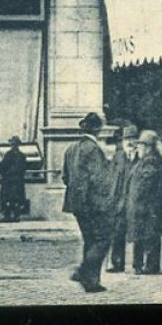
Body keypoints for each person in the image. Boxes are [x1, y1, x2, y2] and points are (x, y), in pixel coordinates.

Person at [61, 111, 112, 291]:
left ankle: (91, 283)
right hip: (93, 204)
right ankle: (84, 272)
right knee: (102, 240)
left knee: (89, 240)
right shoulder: (94, 149)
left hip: (76, 204)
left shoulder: (71, 149)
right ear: (98, 129)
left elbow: (65, 178)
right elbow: (99, 179)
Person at [126, 130, 162, 275]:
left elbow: (145, 185)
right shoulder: (145, 160)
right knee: (143, 235)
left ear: (148, 147)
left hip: (147, 206)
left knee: (149, 236)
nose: (137, 148)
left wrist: (137, 201)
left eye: (140, 145)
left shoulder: (150, 161)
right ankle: (139, 265)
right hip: (144, 206)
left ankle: (150, 266)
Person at [106, 122, 139, 274]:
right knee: (117, 232)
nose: (130, 142)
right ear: (122, 141)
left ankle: (138, 265)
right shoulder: (118, 157)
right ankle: (117, 263)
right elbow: (111, 178)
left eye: (133, 138)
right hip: (119, 202)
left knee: (138, 232)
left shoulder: (141, 157)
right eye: (127, 139)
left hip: (135, 201)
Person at [0, 137, 28, 223]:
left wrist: (2, 172)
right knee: (16, 198)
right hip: (18, 180)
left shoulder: (8, 154)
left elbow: (3, 166)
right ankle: (16, 215)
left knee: (7, 198)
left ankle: (7, 216)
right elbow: (24, 168)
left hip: (8, 180)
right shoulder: (22, 155)